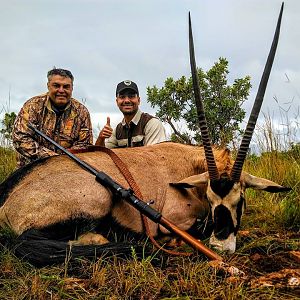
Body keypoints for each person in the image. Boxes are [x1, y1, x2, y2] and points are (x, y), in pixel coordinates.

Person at [13, 68, 93, 167]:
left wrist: (64, 160)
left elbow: (85, 145)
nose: (61, 90)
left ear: (72, 88)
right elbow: (20, 138)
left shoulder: (82, 112)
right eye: (56, 86)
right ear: (48, 86)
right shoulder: (32, 106)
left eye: (66, 87)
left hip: (67, 167)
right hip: (31, 167)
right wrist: (52, 158)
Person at [95, 80, 166, 148]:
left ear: (138, 100)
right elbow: (101, 155)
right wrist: (101, 138)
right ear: (117, 102)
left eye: (131, 96)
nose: (127, 100)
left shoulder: (152, 124)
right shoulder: (117, 131)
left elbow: (156, 157)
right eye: (122, 97)